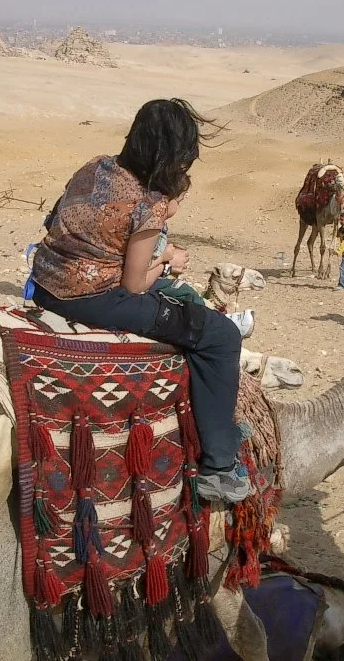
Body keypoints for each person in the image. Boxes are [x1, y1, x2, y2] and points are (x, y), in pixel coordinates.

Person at [29, 98, 250, 503]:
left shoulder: (95, 166)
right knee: (218, 335)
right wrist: (165, 261)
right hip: (92, 296)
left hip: (45, 281)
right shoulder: (148, 204)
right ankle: (219, 466)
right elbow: (133, 286)